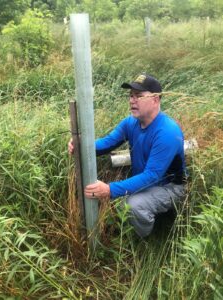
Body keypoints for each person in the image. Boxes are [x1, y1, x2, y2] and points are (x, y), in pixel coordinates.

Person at [68, 74, 186, 238]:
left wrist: (109, 190)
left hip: (169, 187)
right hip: (147, 181)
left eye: (139, 96)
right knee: (126, 201)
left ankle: (141, 242)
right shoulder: (131, 123)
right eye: (131, 96)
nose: (132, 100)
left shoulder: (167, 131)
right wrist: (82, 145)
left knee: (132, 205)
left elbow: (152, 176)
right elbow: (107, 143)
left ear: (156, 100)